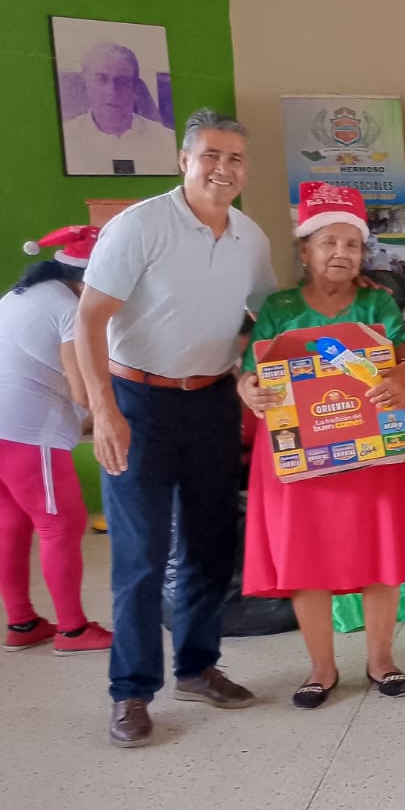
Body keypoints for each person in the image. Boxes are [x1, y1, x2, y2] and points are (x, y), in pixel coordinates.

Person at [76, 109, 277, 748]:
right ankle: (131, 691)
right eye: (211, 155)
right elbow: (88, 320)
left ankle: (197, 666)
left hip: (212, 402)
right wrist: (104, 411)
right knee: (141, 555)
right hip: (139, 402)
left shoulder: (250, 238)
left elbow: (267, 319)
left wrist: (248, 371)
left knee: (209, 543)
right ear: (184, 161)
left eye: (235, 158)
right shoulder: (139, 226)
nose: (223, 168)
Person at [237, 185, 405, 709]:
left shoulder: (376, 303)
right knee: (306, 556)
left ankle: (381, 660)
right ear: (305, 250)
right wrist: (247, 388)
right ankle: (321, 668)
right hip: (300, 455)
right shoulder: (279, 308)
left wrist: (404, 374)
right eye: (329, 242)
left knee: (379, 553)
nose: (342, 253)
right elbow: (252, 372)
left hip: (370, 453)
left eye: (352, 244)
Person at [0, 226, 114, 654]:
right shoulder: (70, 309)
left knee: (11, 522)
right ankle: (73, 630)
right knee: (60, 524)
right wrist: (113, 418)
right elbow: (82, 390)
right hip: (29, 433)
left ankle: (22, 622)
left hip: (6, 431)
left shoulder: (20, 295)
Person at [60, 43, 178, 176]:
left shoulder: (167, 140)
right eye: (101, 80)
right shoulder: (65, 140)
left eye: (121, 82)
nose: (112, 91)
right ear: (86, 84)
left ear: (135, 89)